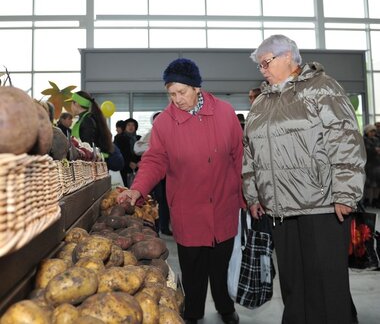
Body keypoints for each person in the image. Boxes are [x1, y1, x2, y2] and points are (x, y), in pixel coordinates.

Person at [242, 34, 366, 324]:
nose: (262, 70)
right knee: (294, 286)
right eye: (260, 65)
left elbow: (345, 139)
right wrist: (253, 195)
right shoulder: (262, 102)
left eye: (266, 62)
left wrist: (346, 193)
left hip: (321, 205)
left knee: (327, 285)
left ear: (288, 56)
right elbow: (250, 153)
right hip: (280, 210)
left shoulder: (323, 88)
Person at [118, 58, 244, 324]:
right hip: (188, 210)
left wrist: (246, 196)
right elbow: (154, 161)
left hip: (223, 206)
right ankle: (193, 313)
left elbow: (239, 158)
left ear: (196, 87)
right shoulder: (164, 123)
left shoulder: (225, 113)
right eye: (171, 93)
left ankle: (225, 307)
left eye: (182, 92)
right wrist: (137, 188)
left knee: (220, 267)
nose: (177, 99)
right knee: (193, 270)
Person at [134, 112, 172, 236]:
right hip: (153, 176)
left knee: (165, 201)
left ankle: (164, 226)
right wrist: (155, 148)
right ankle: (155, 227)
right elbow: (138, 149)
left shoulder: (174, 133)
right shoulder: (150, 134)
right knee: (154, 201)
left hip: (169, 176)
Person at [67, 91, 114, 160]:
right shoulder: (86, 119)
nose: (70, 106)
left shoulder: (87, 121)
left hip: (87, 165)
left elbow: (87, 147)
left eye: (71, 103)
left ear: (76, 103)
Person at [363, 124, 380, 207]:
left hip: (377, 165)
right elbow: (366, 151)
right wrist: (374, 150)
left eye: (374, 131)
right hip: (369, 165)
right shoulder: (364, 140)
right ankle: (367, 200)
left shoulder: (377, 140)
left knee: (377, 184)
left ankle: (375, 200)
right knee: (369, 184)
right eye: (371, 131)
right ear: (367, 132)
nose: (373, 133)